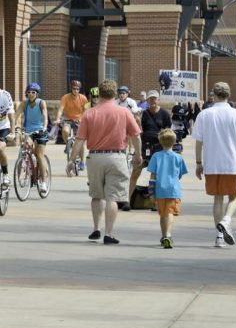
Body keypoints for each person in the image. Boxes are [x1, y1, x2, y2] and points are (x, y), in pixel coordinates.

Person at [67, 79, 142, 245]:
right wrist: (138, 154)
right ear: (115, 94)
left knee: (96, 196)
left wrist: (71, 160)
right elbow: (135, 136)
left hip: (95, 157)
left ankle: (96, 229)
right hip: (116, 157)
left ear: (99, 94)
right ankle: (109, 233)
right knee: (112, 198)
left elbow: (79, 140)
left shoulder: (89, 113)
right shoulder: (124, 112)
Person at [190, 81, 236, 248]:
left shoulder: (204, 115)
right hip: (232, 162)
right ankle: (227, 219)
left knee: (218, 198)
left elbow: (198, 142)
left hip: (212, 162)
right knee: (234, 196)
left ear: (214, 95)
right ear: (228, 95)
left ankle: (219, 236)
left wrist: (198, 163)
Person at [128, 90, 171, 206]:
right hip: (144, 147)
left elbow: (169, 134)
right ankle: (128, 200)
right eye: (150, 99)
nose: (152, 101)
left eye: (154, 98)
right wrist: (138, 122)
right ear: (147, 100)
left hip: (158, 148)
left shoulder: (165, 114)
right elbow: (139, 133)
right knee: (135, 172)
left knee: (155, 175)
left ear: (158, 100)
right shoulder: (143, 114)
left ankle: (154, 202)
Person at [147, 128, 187, 249]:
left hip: (159, 190)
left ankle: (164, 235)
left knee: (163, 214)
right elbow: (180, 174)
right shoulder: (178, 157)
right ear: (174, 141)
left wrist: (151, 192)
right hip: (173, 189)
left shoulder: (156, 156)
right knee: (170, 213)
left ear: (160, 141)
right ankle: (168, 235)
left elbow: (152, 176)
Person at [15, 82, 49, 193]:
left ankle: (43, 182)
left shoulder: (41, 103)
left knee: (39, 155)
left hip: (40, 131)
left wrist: (44, 127)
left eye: (33, 92)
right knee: (26, 146)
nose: (30, 94)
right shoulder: (24, 103)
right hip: (29, 131)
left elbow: (45, 115)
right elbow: (17, 115)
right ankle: (26, 164)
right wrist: (15, 127)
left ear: (37, 94)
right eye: (28, 92)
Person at [55, 80, 88, 170]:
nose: (75, 91)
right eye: (74, 89)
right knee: (65, 131)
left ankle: (82, 162)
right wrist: (58, 119)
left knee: (80, 143)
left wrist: (84, 120)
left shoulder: (83, 98)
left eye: (77, 89)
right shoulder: (65, 97)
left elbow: (86, 111)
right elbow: (60, 109)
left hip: (79, 121)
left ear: (79, 89)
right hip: (68, 119)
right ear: (71, 88)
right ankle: (68, 144)